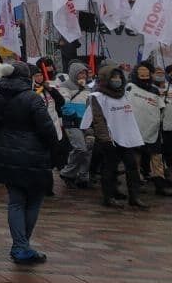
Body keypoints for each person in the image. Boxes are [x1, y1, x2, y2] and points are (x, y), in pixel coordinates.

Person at [0, 61, 58, 265]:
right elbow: (47, 129)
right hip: (33, 154)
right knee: (34, 200)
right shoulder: (32, 99)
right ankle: (21, 246)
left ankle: (20, 245)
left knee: (16, 201)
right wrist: (54, 149)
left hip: (6, 151)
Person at [84, 62, 147, 209]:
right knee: (109, 168)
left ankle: (134, 197)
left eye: (119, 77)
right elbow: (98, 120)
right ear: (106, 78)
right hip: (109, 139)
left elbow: (128, 117)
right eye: (113, 77)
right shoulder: (98, 96)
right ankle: (109, 197)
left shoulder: (123, 94)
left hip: (125, 138)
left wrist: (133, 136)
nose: (117, 79)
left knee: (131, 166)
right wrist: (105, 139)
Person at [128, 62, 169, 195]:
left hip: (153, 129)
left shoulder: (154, 90)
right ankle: (136, 185)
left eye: (147, 72)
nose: (144, 75)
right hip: (136, 128)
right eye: (141, 72)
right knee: (136, 158)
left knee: (157, 158)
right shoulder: (130, 87)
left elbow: (160, 107)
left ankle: (160, 186)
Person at [57, 61, 93, 189]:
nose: (83, 75)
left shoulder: (88, 88)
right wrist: (74, 116)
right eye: (80, 73)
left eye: (84, 73)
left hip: (85, 122)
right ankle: (67, 173)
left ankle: (83, 177)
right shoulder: (65, 86)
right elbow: (64, 104)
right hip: (72, 122)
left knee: (88, 149)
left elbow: (90, 105)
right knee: (80, 148)